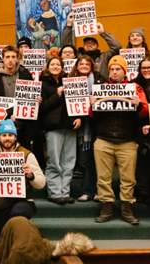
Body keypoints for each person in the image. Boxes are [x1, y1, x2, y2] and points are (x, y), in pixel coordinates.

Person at [89, 55, 149, 225]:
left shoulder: (135, 88)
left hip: (127, 141)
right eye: (112, 69)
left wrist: (138, 104)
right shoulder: (100, 88)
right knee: (103, 177)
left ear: (124, 71)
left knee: (128, 178)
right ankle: (106, 209)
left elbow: (144, 113)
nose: (114, 72)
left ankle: (127, 210)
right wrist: (92, 104)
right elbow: (91, 115)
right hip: (103, 139)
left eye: (118, 69)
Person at [0, 120, 46, 233]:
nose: (7, 138)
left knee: (17, 214)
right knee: (2, 234)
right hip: (1, 204)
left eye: (10, 135)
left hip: (23, 202)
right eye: (4, 135)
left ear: (15, 137)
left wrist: (31, 175)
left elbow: (41, 183)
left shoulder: (27, 155)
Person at [39, 56, 81, 205]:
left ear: (63, 67)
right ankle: (55, 192)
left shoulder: (69, 82)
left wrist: (79, 117)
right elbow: (41, 108)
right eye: (53, 64)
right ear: (48, 67)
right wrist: (57, 95)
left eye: (58, 64)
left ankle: (65, 192)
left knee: (69, 161)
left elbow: (77, 102)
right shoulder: (41, 84)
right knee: (54, 161)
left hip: (70, 127)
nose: (56, 66)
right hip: (53, 128)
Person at [0, 45, 38, 151]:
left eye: (13, 57)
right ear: (2, 58)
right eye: (7, 57)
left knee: (24, 151)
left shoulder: (25, 73)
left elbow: (31, 95)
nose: (10, 60)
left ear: (17, 58)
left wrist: (36, 100)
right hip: (2, 120)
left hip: (23, 121)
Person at [69, 55, 104, 202]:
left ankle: (96, 191)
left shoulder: (99, 80)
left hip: (95, 127)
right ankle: (86, 191)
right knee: (84, 161)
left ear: (92, 66)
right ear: (76, 66)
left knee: (96, 161)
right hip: (77, 129)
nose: (83, 65)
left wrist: (96, 101)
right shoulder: (70, 81)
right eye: (81, 63)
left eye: (87, 63)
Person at [132, 56, 150, 205]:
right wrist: (141, 127)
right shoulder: (134, 85)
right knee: (141, 161)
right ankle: (142, 190)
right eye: (143, 67)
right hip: (140, 127)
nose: (147, 70)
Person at [62, 15, 121, 80]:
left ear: (97, 46)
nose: (89, 45)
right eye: (87, 43)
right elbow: (67, 44)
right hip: (80, 88)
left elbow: (117, 47)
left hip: (99, 87)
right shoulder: (77, 56)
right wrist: (69, 24)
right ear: (83, 46)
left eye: (92, 43)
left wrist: (103, 32)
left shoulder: (104, 57)